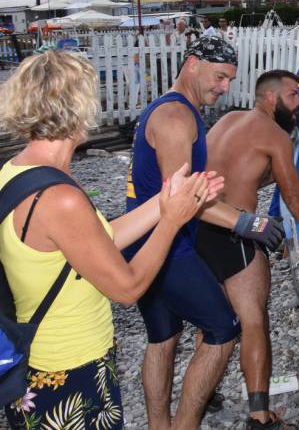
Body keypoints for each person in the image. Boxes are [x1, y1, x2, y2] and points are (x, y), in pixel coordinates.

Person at [0, 51, 222, 430]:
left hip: (43, 366)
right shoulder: (60, 198)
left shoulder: (19, 171)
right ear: (82, 107)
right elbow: (128, 287)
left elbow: (101, 240)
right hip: (69, 372)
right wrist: (170, 221)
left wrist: (167, 199)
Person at [125, 37, 285, 430]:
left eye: (230, 79)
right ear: (192, 64)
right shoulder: (178, 119)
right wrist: (249, 222)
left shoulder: (169, 107)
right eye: (219, 76)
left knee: (163, 338)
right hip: (165, 248)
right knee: (222, 329)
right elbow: (181, 198)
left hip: (142, 242)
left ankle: (159, 426)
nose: (225, 87)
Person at [197, 70, 299, 429]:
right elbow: (295, 197)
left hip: (200, 227)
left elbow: (239, 171)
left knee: (214, 322)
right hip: (237, 234)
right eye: (293, 96)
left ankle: (203, 394)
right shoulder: (275, 135)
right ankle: (260, 414)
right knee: (253, 322)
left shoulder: (227, 120)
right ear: (271, 99)